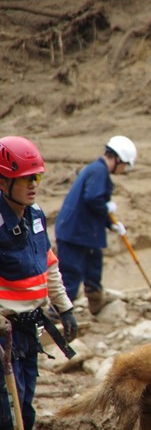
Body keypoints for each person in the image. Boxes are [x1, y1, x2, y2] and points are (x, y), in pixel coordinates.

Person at [0, 136, 78, 430]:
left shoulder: (36, 215)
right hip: (2, 331)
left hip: (27, 330)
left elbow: (49, 264)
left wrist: (65, 308)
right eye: (25, 179)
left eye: (37, 177)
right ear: (3, 182)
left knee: (26, 405)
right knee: (7, 413)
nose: (33, 184)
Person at [55, 135, 137, 315]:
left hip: (86, 234)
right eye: (124, 165)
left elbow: (96, 202)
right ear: (118, 159)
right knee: (70, 275)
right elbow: (93, 198)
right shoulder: (98, 171)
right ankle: (57, 315)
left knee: (94, 268)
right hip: (75, 233)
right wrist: (106, 207)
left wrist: (111, 224)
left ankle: (96, 303)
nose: (123, 169)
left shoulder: (97, 171)